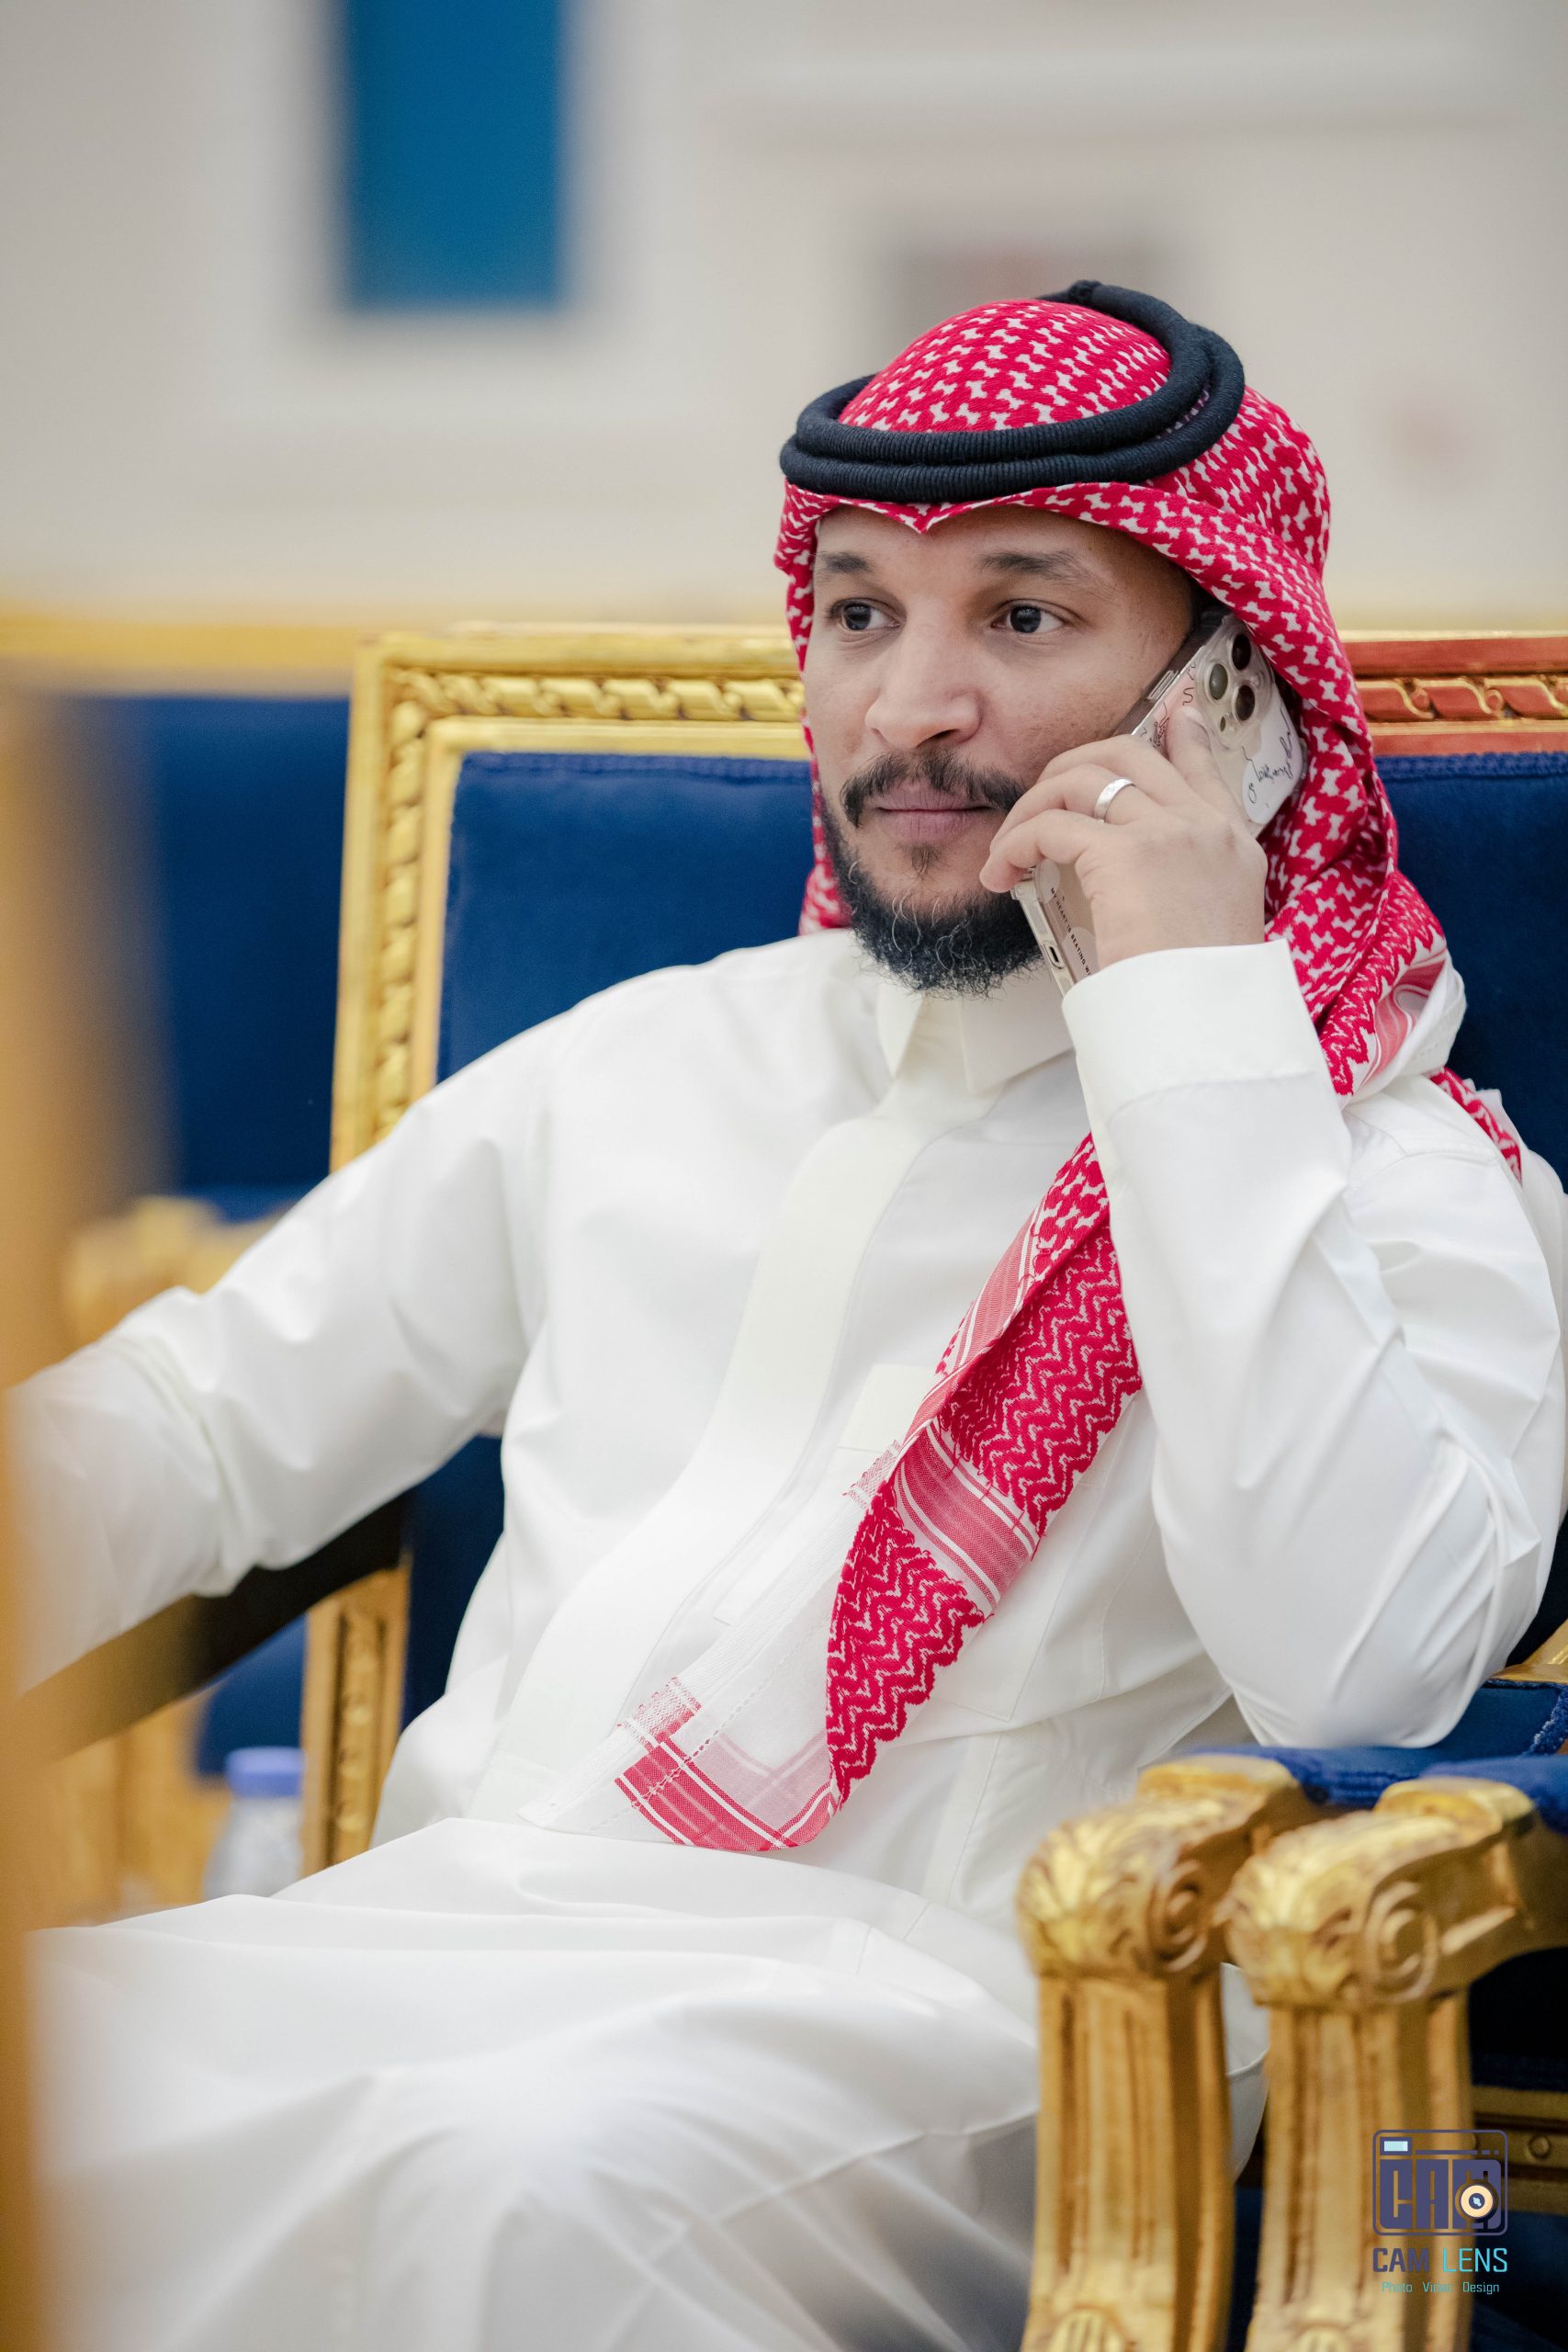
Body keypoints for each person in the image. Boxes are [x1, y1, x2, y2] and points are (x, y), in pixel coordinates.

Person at [14, 286, 1564, 2352]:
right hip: (433, 1939)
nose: (909, 706)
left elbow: (1352, 1659)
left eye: (1020, 615)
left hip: (968, 2039)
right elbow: (204, 1423)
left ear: (1226, 693)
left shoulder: (1386, 1169)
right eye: (857, 613)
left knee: (527, 2180)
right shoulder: (646, 1063)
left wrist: (1191, 1024)